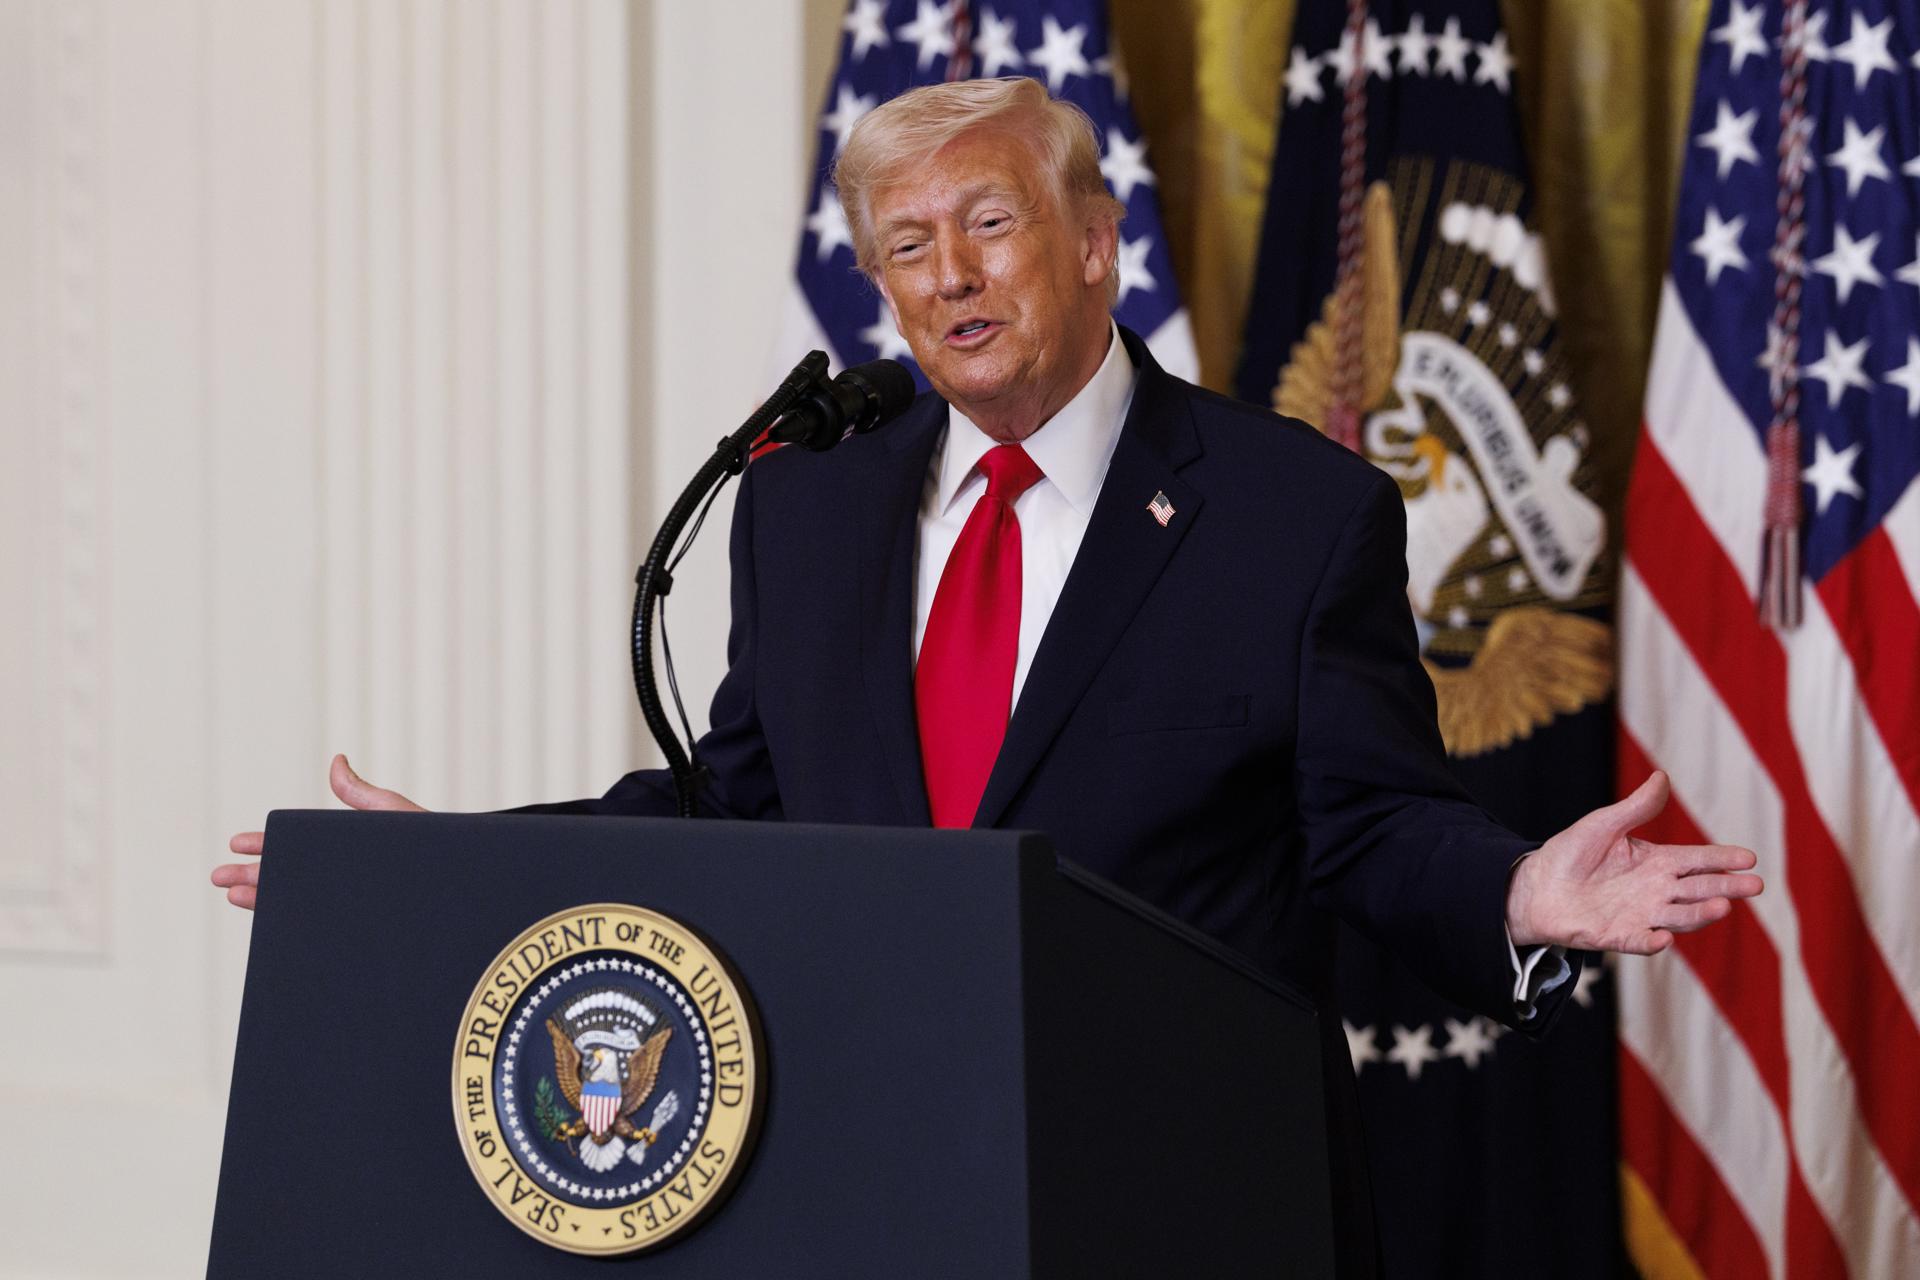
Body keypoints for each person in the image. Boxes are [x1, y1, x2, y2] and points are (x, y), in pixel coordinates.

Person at [214, 77, 1761, 1273]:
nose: (949, 273)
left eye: (991, 223)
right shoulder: (807, 503)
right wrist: (443, 879)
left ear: (1094, 243)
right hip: (853, 1180)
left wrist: (1515, 897)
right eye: (906, 246)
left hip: (1176, 1195)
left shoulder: (1292, 515)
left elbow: (1365, 826)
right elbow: (737, 807)